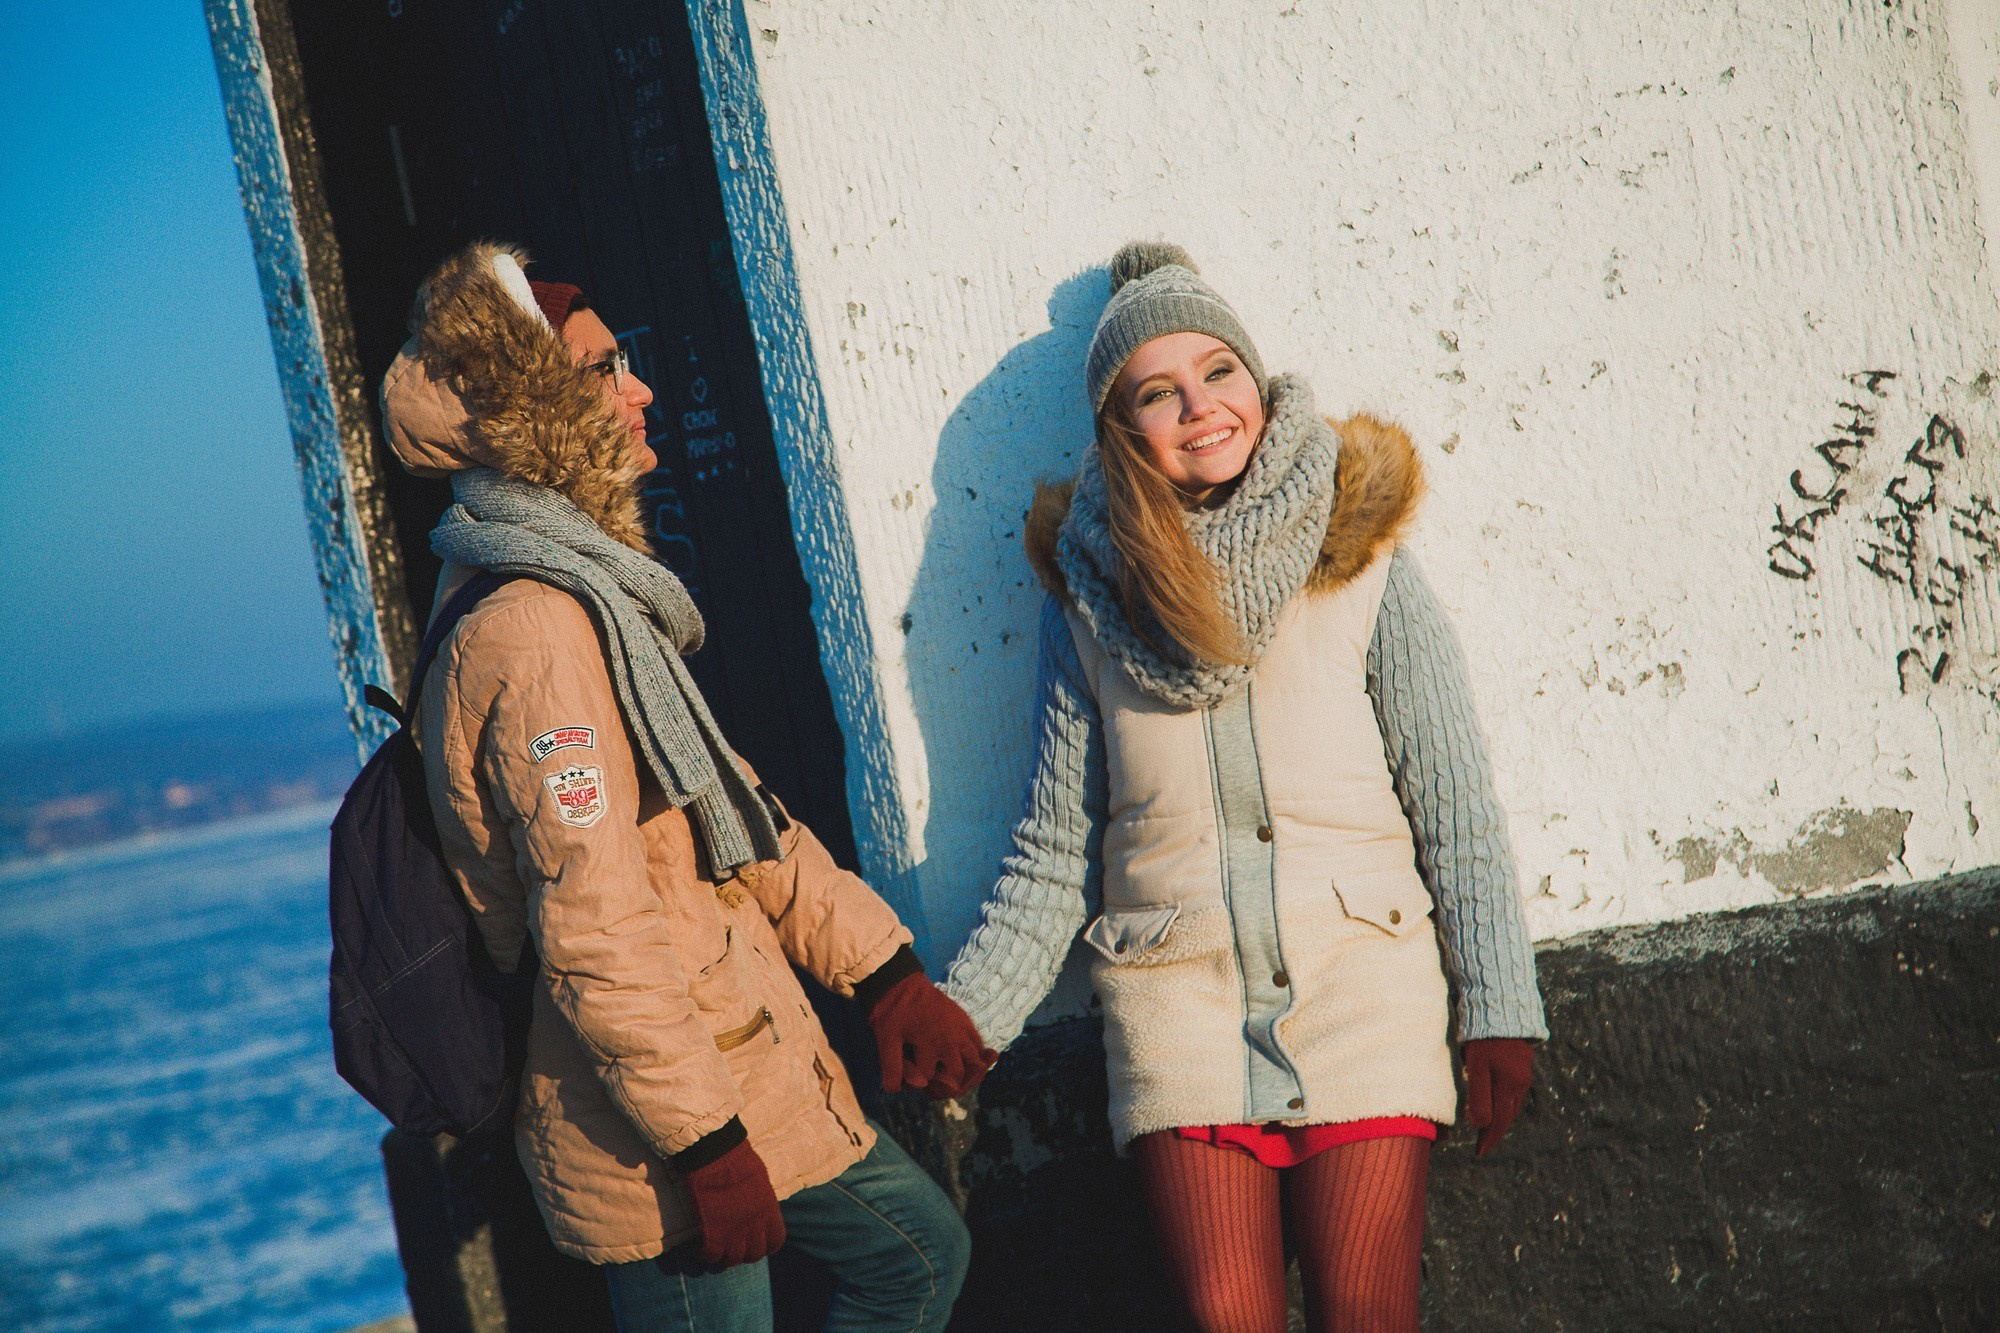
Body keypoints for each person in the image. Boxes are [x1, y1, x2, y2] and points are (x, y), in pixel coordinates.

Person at [378, 240, 993, 1332]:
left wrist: (883, 971)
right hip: (652, 1124)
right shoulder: (533, 627)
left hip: (743, 1051)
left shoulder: (595, 593)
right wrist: (706, 1149)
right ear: (535, 415)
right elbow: (593, 927)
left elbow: (730, 810)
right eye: (603, 370)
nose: (640, 389)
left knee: (915, 1257)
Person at [940, 242, 1547, 1333]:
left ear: (1257, 382)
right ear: (1122, 430)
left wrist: (1499, 1004)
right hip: (1179, 1007)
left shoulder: (1357, 558)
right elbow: (1053, 846)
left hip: (1363, 988)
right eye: (1157, 393)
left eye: (1218, 372)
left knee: (1366, 1311)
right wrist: (965, 1017)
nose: (1200, 407)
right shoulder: (1086, 597)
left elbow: (1451, 802)